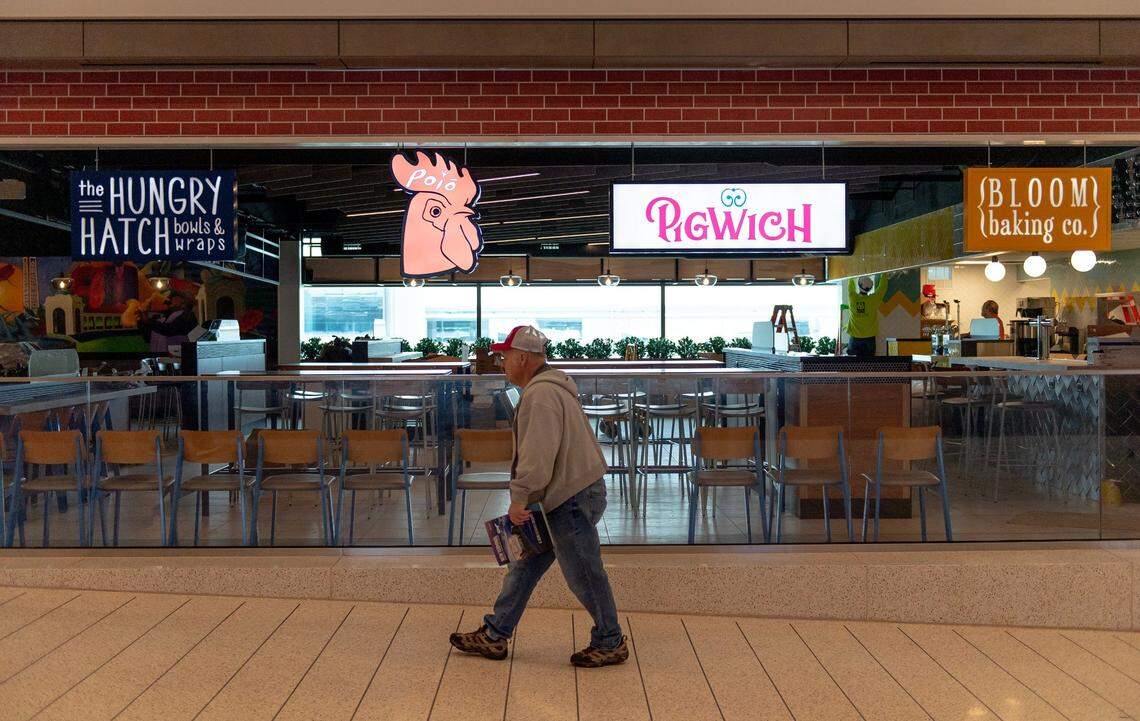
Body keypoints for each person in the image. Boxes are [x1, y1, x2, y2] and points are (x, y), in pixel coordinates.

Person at [449, 325, 627, 668]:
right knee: (526, 564)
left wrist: (520, 498)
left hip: (570, 496)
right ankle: (495, 634)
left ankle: (610, 640)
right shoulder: (548, 387)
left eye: (504, 356)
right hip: (563, 492)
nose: (501, 362)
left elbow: (537, 453)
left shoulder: (540, 395)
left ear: (523, 357)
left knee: (584, 573)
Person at [845, 275, 888, 356]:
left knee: (852, 365)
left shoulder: (852, 298)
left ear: (859, 285)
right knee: (868, 364)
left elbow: (850, 285)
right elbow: (882, 288)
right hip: (869, 339)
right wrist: (884, 275)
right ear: (871, 288)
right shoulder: (874, 299)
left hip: (854, 338)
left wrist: (852, 275)